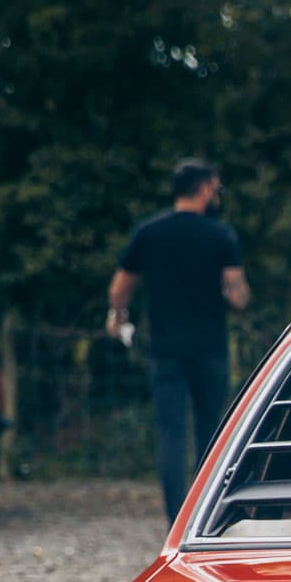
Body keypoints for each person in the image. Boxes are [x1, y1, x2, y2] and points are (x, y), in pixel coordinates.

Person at [106, 158, 252, 520]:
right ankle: (204, 516)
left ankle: (176, 519)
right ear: (203, 188)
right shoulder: (220, 235)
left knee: (171, 435)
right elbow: (238, 295)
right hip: (210, 348)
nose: (217, 195)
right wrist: (231, 293)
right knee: (210, 434)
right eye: (216, 188)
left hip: (165, 349)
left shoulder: (149, 233)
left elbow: (120, 287)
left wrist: (119, 316)